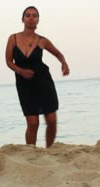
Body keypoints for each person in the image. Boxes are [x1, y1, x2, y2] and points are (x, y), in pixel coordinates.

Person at [5, 6, 70, 148]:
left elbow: (58, 54)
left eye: (34, 15)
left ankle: (50, 149)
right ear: (23, 19)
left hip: (44, 82)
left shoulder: (42, 41)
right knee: (33, 122)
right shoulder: (13, 38)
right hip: (25, 84)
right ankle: (31, 151)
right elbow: (9, 61)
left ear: (38, 20)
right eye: (28, 15)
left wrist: (64, 63)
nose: (31, 18)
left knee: (51, 120)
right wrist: (21, 71)